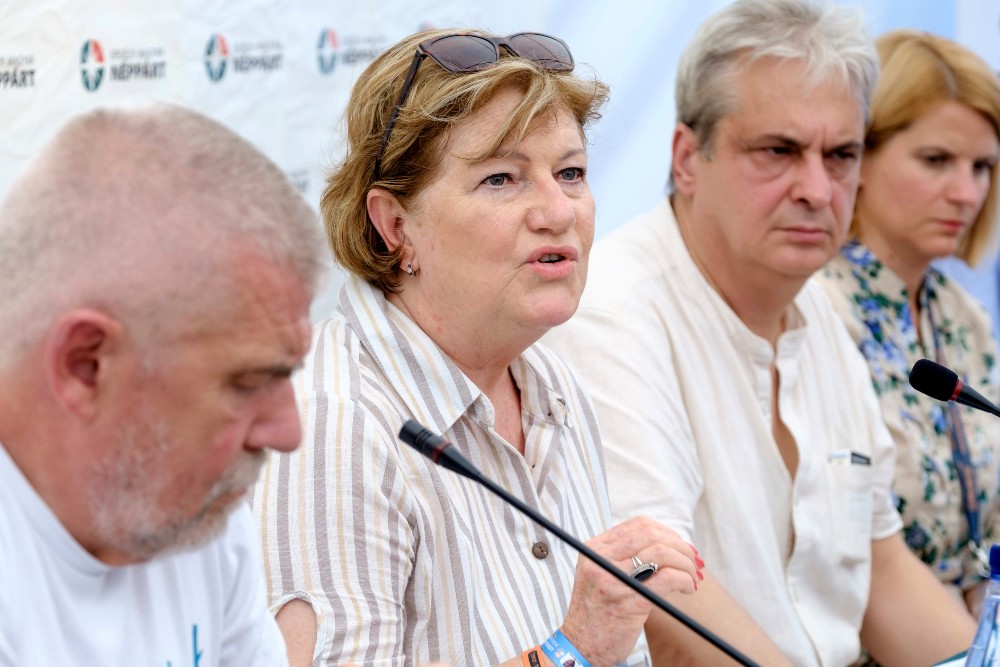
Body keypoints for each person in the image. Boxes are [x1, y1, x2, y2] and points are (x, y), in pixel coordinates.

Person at [251, 28, 703, 667]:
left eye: (570, 173)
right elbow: (581, 648)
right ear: (394, 225)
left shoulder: (549, 379)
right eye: (501, 179)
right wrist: (571, 651)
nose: (558, 211)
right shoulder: (331, 425)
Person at [543, 1, 978, 666]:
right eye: (779, 151)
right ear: (687, 158)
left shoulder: (819, 313)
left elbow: (883, 569)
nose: (817, 189)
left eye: (841, 155)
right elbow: (659, 590)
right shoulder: (612, 312)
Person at [0, 104, 326, 664]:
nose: (288, 432)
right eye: (247, 383)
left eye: (286, 375)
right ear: (85, 366)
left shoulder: (193, 511)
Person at [816, 30, 1000, 617]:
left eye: (982, 166)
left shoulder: (964, 316)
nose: (967, 193)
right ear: (858, 156)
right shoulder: (813, 309)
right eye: (936, 160)